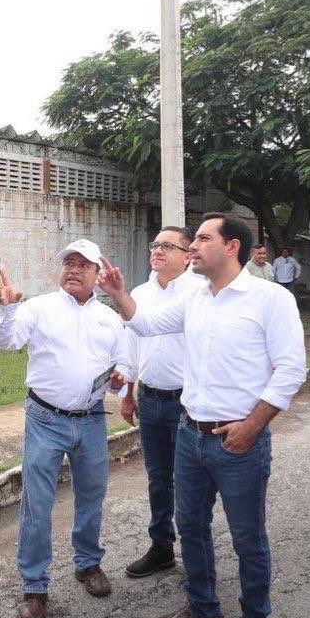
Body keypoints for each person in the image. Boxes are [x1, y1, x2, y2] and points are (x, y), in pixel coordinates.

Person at [99, 213, 306, 618]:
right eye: (190, 240)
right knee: (189, 525)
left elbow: (292, 369)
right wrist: (117, 295)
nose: (192, 246)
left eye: (202, 238)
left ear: (232, 246)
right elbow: (147, 324)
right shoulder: (196, 299)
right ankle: (203, 607)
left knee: (247, 537)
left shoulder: (269, 298)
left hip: (239, 440)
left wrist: (253, 425)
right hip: (190, 433)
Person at [0, 239, 129, 618]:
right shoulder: (39, 308)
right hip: (45, 420)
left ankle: (88, 564)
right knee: (37, 503)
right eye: (68, 262)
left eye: (84, 265)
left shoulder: (110, 319)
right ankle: (34, 586)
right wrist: (5, 308)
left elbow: (123, 371)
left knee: (92, 496)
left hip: (91, 421)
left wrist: (119, 381)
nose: (73, 269)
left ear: (98, 276)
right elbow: (4, 341)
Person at [119, 226, 202, 578]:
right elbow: (132, 347)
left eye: (168, 246)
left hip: (188, 404)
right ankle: (162, 547)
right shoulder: (139, 293)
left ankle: (197, 555)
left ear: (187, 255)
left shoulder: (201, 292)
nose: (158, 251)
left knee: (190, 481)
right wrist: (127, 394)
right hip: (150, 399)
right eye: (155, 245)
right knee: (158, 478)